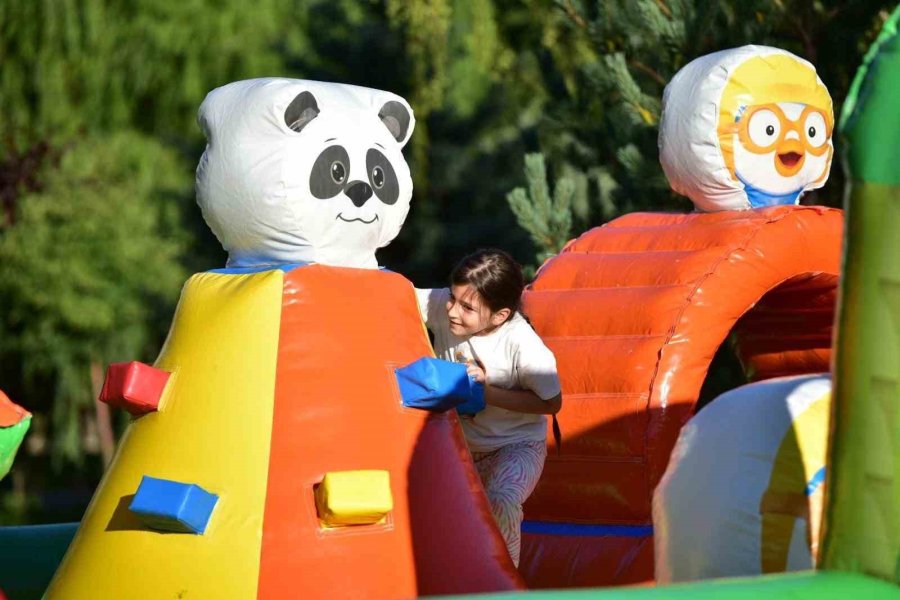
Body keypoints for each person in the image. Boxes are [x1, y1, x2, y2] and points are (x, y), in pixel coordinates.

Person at [416, 249, 562, 567]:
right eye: (453, 298)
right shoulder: (445, 307)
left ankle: (503, 581)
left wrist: (488, 393)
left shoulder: (525, 349)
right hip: (461, 445)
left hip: (514, 446)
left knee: (501, 502)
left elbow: (553, 403)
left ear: (500, 316)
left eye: (468, 308)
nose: (452, 311)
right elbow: (396, 296)